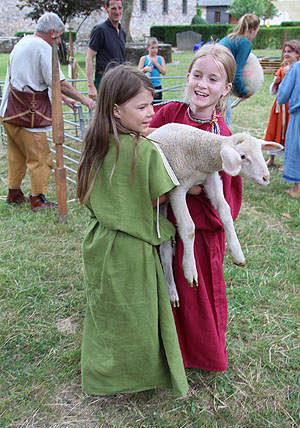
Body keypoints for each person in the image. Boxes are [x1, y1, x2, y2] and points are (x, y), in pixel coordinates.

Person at [76, 65, 188, 397]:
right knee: (138, 313)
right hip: (133, 250)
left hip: (99, 245)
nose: (150, 113)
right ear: (116, 109)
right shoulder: (145, 151)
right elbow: (157, 196)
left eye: (151, 105)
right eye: (141, 107)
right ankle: (139, 375)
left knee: (106, 314)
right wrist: (188, 188)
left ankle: (103, 374)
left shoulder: (94, 144)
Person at [149, 43, 243, 372]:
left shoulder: (223, 137)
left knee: (198, 290)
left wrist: (198, 187)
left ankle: (201, 354)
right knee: (166, 285)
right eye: (197, 75)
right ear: (187, 77)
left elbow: (227, 190)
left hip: (201, 232)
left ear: (226, 89)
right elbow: (145, 145)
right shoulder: (168, 115)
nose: (202, 85)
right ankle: (169, 350)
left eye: (213, 79)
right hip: (164, 223)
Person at [0, 12, 95, 212]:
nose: (59, 40)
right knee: (41, 157)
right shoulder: (43, 47)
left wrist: (65, 100)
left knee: (16, 154)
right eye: (59, 36)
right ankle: (37, 200)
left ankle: (14, 193)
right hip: (28, 115)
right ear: (52, 33)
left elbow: (36, 79)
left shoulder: (23, 43)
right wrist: (85, 99)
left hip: (9, 112)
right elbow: (58, 82)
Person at [219, 13, 260, 125]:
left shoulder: (230, 38)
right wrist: (243, 92)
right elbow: (236, 72)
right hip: (221, 83)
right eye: (256, 32)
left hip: (213, 79)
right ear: (252, 30)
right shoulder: (244, 43)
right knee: (223, 122)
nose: (255, 35)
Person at [265, 40, 300, 168]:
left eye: (289, 51)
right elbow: (274, 90)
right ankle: (271, 157)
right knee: (274, 128)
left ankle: (288, 161)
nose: (286, 54)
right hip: (280, 107)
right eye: (285, 51)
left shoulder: (297, 69)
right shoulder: (282, 68)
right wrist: (276, 82)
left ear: (298, 54)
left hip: (292, 105)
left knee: (288, 132)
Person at [86, 0, 126, 100]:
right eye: (113, 8)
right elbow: (89, 57)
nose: (117, 12)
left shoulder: (122, 32)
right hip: (105, 81)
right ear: (106, 9)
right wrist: (91, 86)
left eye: (119, 8)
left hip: (120, 81)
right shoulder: (100, 30)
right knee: (105, 115)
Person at [277, 60, 300, 198]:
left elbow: (284, 92)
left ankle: (297, 188)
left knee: (296, 146)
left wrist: (281, 98)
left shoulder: (297, 67)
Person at [138, 37, 166, 102]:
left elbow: (164, 72)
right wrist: (145, 69)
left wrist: (156, 63)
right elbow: (138, 72)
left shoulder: (160, 59)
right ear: (148, 48)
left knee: (158, 104)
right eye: (152, 48)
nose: (154, 50)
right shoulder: (143, 59)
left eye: (156, 48)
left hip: (157, 85)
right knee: (147, 103)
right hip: (146, 86)